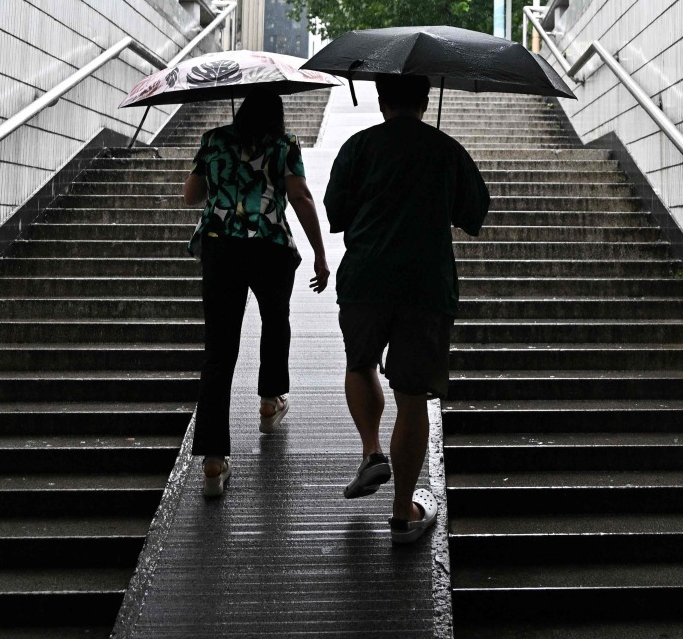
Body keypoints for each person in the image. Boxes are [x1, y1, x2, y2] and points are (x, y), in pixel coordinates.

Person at [324, 73, 489, 543]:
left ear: (381, 100)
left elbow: (336, 214)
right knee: (412, 396)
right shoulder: (446, 149)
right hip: (425, 285)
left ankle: (372, 450)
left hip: (365, 280)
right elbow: (475, 213)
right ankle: (402, 515)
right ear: (425, 99)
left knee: (359, 366)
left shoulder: (357, 147)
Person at [183, 90, 330, 497]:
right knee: (275, 321)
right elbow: (299, 196)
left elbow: (191, 196)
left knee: (219, 348)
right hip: (269, 244)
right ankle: (269, 402)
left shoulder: (213, 140)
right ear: (277, 113)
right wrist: (320, 252)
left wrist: (221, 176)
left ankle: (213, 462)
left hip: (221, 247)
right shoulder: (283, 145)